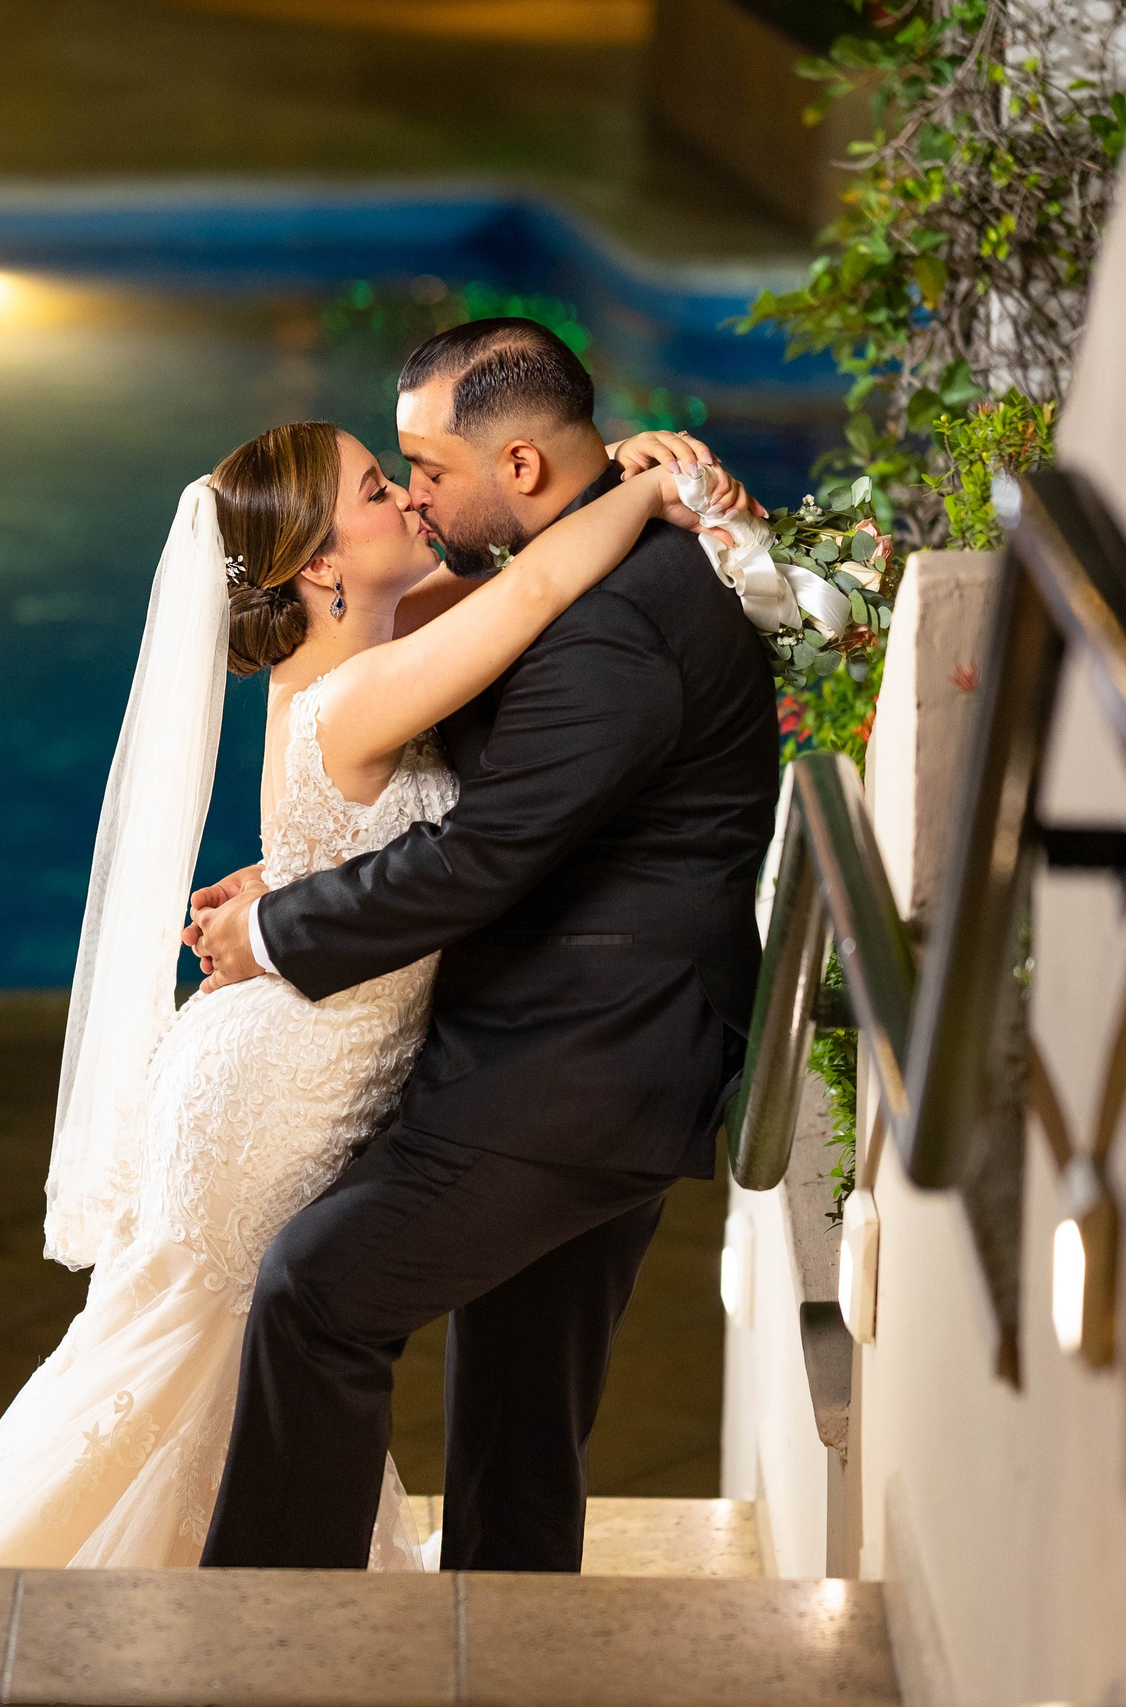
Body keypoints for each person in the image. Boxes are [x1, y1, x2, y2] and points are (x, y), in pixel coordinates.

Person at [0, 401, 752, 1567]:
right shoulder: (364, 684)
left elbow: (519, 586)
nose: (407, 494)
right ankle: (232, 1614)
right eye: (376, 487)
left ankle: (244, 1599)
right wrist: (644, 488)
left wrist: (604, 471)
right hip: (280, 1083)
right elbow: (534, 593)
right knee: (218, 1341)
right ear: (318, 567)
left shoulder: (378, 639)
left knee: (216, 1354)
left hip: (299, 1046)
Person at [188, 319, 782, 1573]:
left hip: (580, 1061)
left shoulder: (612, 626)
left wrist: (276, 931)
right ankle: (506, 1640)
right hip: (590, 1036)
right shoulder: (583, 560)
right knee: (520, 1410)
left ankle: (267, 1638)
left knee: (317, 1295)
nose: (414, 494)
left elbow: (482, 855)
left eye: (424, 467)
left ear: (517, 467)